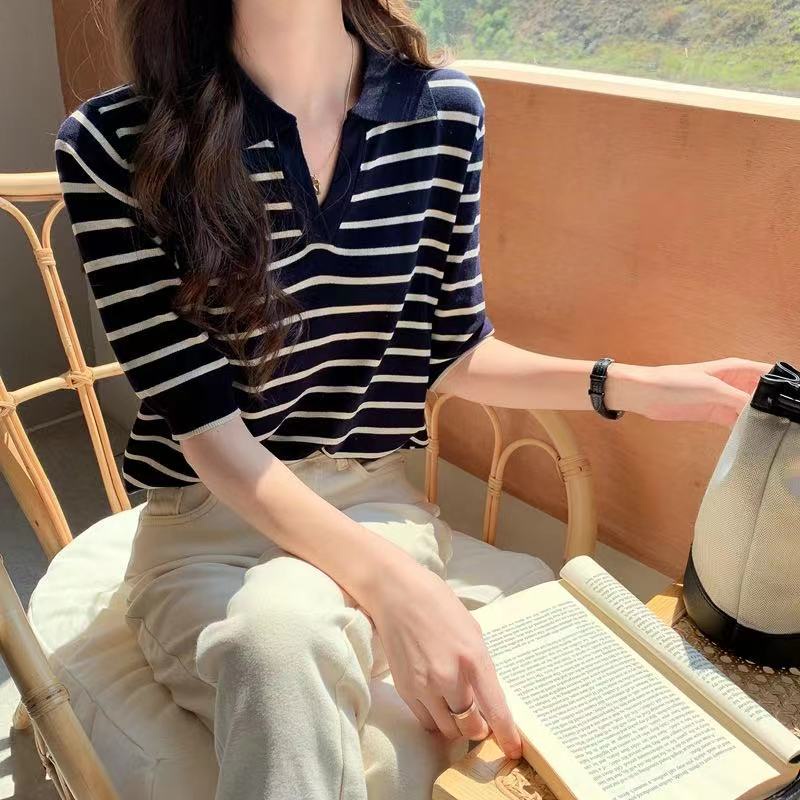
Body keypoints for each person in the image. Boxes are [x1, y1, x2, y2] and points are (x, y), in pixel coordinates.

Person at [54, 2, 768, 798]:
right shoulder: (114, 143)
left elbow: (454, 349)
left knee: (282, 626)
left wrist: (627, 385)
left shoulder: (441, 114)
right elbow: (205, 429)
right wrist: (395, 585)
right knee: (279, 636)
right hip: (207, 523)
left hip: (373, 505)